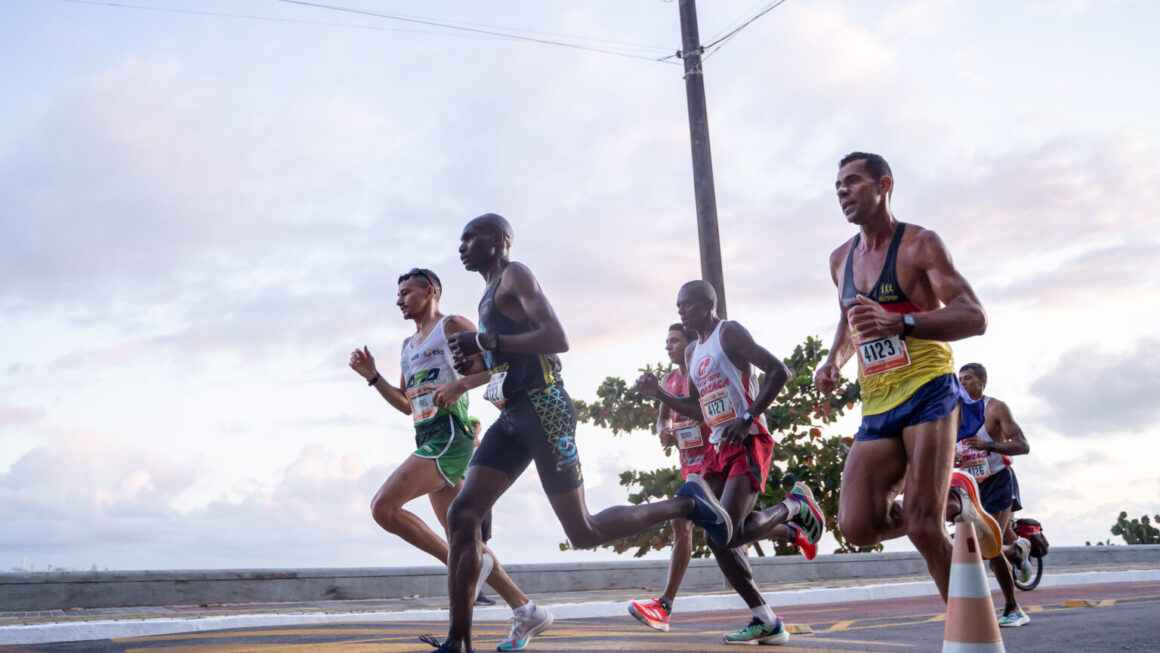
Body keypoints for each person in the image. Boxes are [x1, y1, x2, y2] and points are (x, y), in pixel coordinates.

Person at [430, 214, 733, 653]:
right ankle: (458, 641)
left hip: (545, 409)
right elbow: (508, 350)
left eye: (470, 237)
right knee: (462, 516)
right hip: (513, 414)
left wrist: (486, 342)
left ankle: (687, 502)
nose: (461, 246)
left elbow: (557, 337)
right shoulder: (487, 293)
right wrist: (477, 359)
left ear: (498, 240)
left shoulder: (516, 275)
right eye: (459, 239)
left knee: (584, 530)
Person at [813, 152, 1000, 602]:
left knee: (921, 527)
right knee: (857, 526)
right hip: (878, 401)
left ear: (884, 185)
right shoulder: (840, 259)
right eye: (838, 186)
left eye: (853, 182)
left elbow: (974, 316)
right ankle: (956, 502)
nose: (843, 192)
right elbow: (848, 321)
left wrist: (904, 323)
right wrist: (833, 361)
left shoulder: (920, 244)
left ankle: (970, 635)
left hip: (928, 390)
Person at [348, 268, 540, 648]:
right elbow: (406, 404)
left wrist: (459, 386)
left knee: (383, 508)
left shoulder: (451, 326)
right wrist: (373, 378)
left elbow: (495, 365)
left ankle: (460, 564)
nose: (399, 299)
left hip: (450, 435)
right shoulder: (407, 345)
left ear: (430, 291)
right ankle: (526, 608)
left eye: (406, 292)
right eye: (397, 293)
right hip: (426, 435)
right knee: (466, 538)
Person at [634, 280, 826, 645]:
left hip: (749, 439)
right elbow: (698, 409)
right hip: (717, 447)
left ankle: (794, 506)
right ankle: (765, 619)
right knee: (717, 533)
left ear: (707, 304)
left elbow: (778, 371)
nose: (680, 312)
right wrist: (658, 394)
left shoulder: (729, 333)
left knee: (722, 532)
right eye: (677, 306)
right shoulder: (693, 354)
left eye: (686, 305)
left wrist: (749, 416)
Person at [627, 323, 711, 632]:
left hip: (713, 461)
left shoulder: (700, 373)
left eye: (674, 340)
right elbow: (663, 415)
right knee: (703, 526)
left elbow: (704, 412)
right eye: (666, 341)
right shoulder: (669, 379)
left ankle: (665, 605)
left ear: (691, 344)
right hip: (687, 463)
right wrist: (663, 429)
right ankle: (791, 524)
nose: (668, 346)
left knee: (694, 522)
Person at [956, 362, 1032, 627]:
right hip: (969, 488)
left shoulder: (996, 408)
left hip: (998, 481)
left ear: (982, 382)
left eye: (968, 379)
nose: (963, 384)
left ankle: (1014, 609)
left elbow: (1023, 446)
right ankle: (1019, 549)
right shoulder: (953, 414)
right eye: (960, 379)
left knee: (990, 547)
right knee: (971, 547)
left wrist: (988, 445)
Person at [467, 416, 496, 607]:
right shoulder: (463, 449)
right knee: (473, 546)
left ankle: (477, 590)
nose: (476, 430)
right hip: (471, 500)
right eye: (473, 427)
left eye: (478, 427)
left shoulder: (482, 449)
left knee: (482, 545)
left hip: (486, 500)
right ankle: (472, 592)